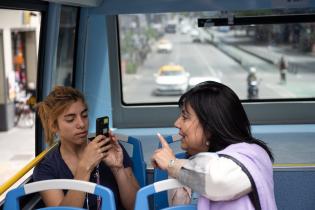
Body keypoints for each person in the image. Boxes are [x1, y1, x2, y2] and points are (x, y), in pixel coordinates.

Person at [151, 81, 277, 210]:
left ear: (210, 127)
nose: (177, 123)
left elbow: (217, 181)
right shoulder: (194, 162)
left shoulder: (252, 156)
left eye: (185, 117)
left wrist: (172, 164)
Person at [33, 86, 139, 210]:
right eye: (70, 119)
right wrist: (84, 168)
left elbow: (137, 207)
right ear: (54, 126)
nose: (82, 124)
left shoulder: (108, 147)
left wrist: (118, 169)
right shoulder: (46, 169)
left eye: (84, 115)